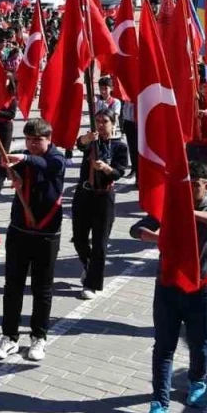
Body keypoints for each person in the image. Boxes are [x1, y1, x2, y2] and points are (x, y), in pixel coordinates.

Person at [134, 161, 207, 413]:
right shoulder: (167, 207)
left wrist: (189, 215)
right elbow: (137, 229)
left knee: (200, 343)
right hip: (168, 286)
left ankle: (197, 381)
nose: (190, 192)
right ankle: (159, 402)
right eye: (185, 188)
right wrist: (161, 237)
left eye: (196, 187)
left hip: (203, 289)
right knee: (163, 347)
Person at [0, 117, 66, 362]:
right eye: (29, 140)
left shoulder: (56, 158)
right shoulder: (22, 158)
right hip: (19, 230)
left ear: (49, 139)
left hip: (46, 233)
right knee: (12, 286)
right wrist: (5, 167)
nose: (32, 145)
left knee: (42, 288)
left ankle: (39, 337)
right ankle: (10, 337)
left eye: (38, 140)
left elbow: (48, 166)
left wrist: (22, 159)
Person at [72, 109, 130, 299]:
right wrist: (85, 139)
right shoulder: (92, 142)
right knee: (79, 238)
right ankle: (89, 265)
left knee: (100, 243)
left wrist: (107, 168)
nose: (100, 124)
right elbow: (79, 144)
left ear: (113, 124)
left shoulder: (119, 147)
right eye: (97, 120)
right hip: (84, 194)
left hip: (104, 197)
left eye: (105, 121)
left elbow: (119, 172)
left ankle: (92, 284)